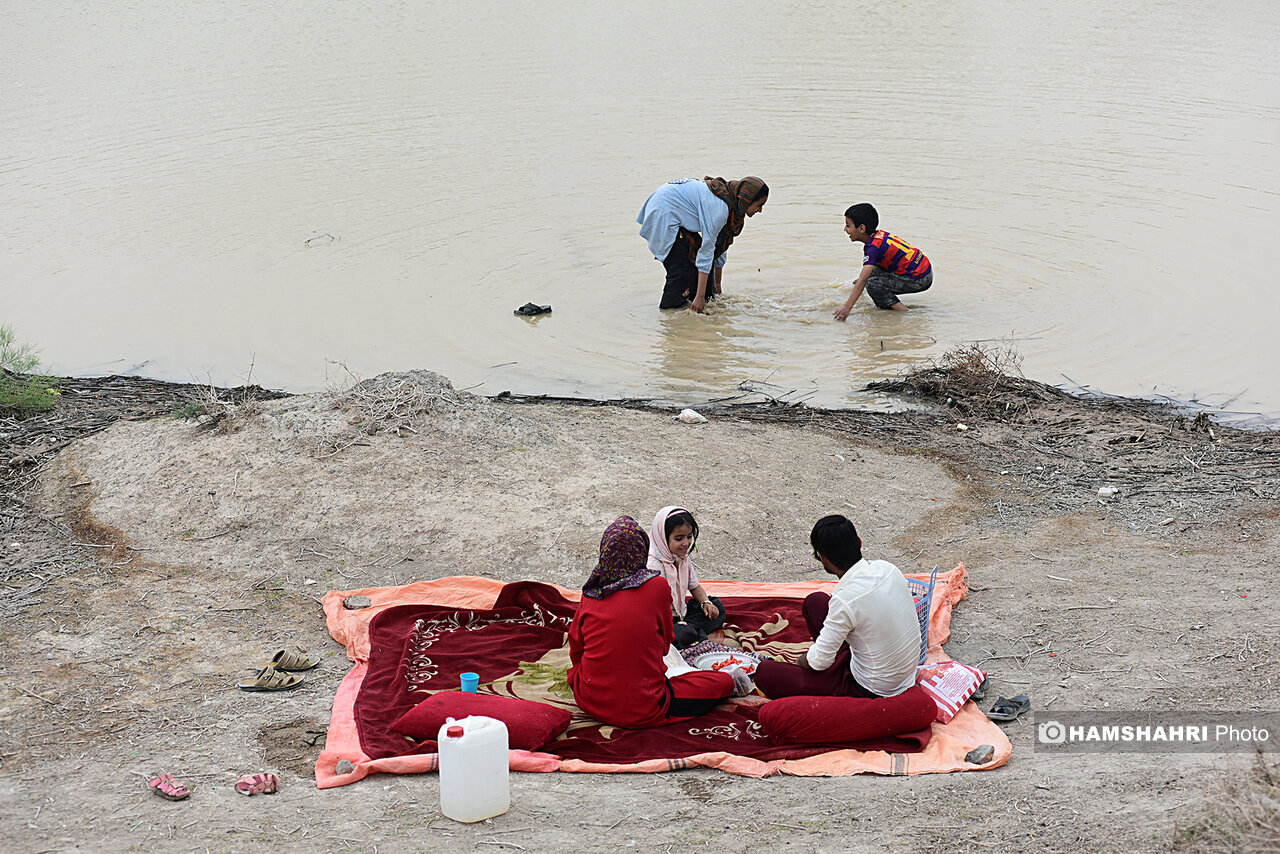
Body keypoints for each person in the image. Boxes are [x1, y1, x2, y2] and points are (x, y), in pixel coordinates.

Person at [567, 516, 750, 728]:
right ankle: (726, 681)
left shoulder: (591, 594)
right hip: (644, 705)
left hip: (589, 699)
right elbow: (664, 645)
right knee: (721, 682)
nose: (685, 543)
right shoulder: (657, 586)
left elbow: (576, 649)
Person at [752, 515, 920, 699]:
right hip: (897, 671)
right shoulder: (888, 568)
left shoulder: (845, 599)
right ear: (859, 543)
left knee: (766, 673)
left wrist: (800, 661)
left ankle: (831, 682)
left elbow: (817, 662)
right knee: (815, 602)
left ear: (823, 559)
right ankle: (832, 665)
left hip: (871, 688)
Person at [636, 176, 769, 313]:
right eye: (759, 205)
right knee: (682, 270)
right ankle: (668, 313)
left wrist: (717, 285)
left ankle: (693, 314)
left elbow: (719, 246)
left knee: (704, 279)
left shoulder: (732, 206)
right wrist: (699, 297)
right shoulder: (720, 209)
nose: (760, 210)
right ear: (747, 200)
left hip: (675, 208)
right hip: (663, 211)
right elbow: (707, 251)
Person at [833, 203, 933, 319]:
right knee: (870, 273)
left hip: (920, 278)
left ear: (861, 228)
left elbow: (864, 280)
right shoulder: (878, 236)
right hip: (924, 268)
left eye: (848, 225)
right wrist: (859, 282)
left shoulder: (873, 248)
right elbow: (866, 275)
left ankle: (905, 312)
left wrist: (847, 308)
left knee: (872, 284)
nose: (845, 229)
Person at [647, 506, 727, 649]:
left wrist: (706, 603)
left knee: (717, 607)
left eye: (689, 536)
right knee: (677, 632)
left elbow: (694, 586)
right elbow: (651, 609)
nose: (686, 543)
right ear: (663, 538)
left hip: (683, 614)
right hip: (664, 621)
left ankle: (691, 631)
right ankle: (689, 632)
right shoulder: (653, 565)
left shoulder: (683, 558)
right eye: (679, 538)